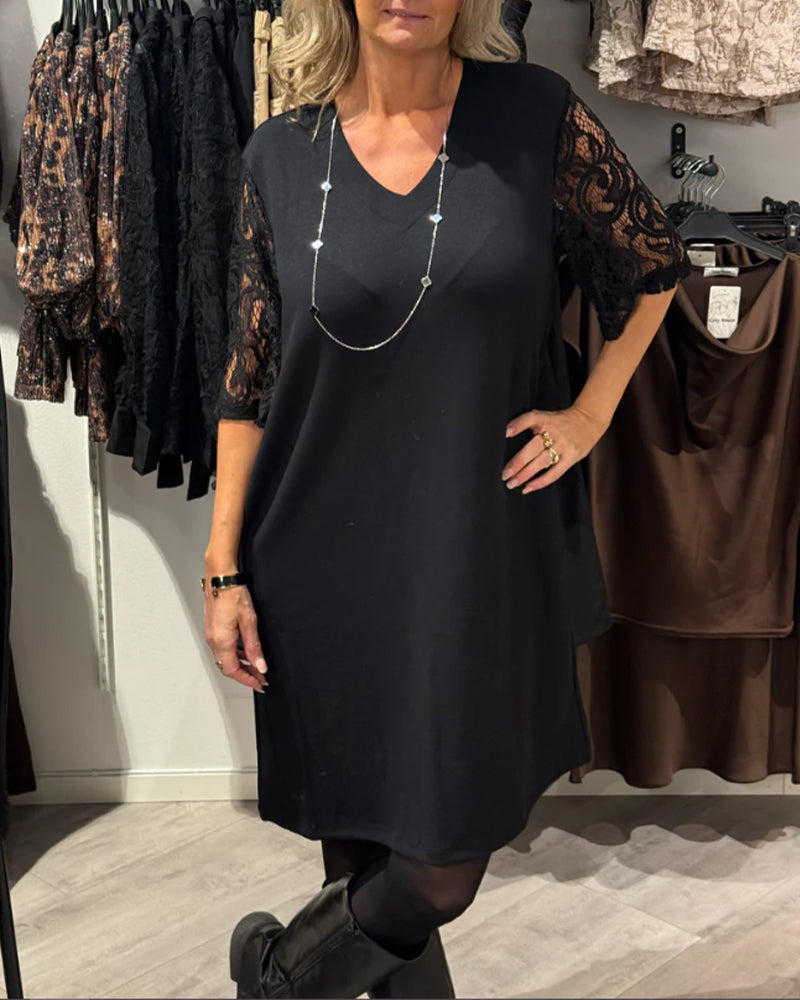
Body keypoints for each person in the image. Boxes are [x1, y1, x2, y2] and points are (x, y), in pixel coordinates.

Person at [202, 1, 692, 997]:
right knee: (363, 849)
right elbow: (246, 384)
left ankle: (279, 975)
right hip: (320, 563)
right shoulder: (278, 157)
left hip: (478, 554)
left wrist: (589, 412)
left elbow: (652, 264)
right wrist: (222, 571)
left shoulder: (534, 116)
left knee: (438, 867)